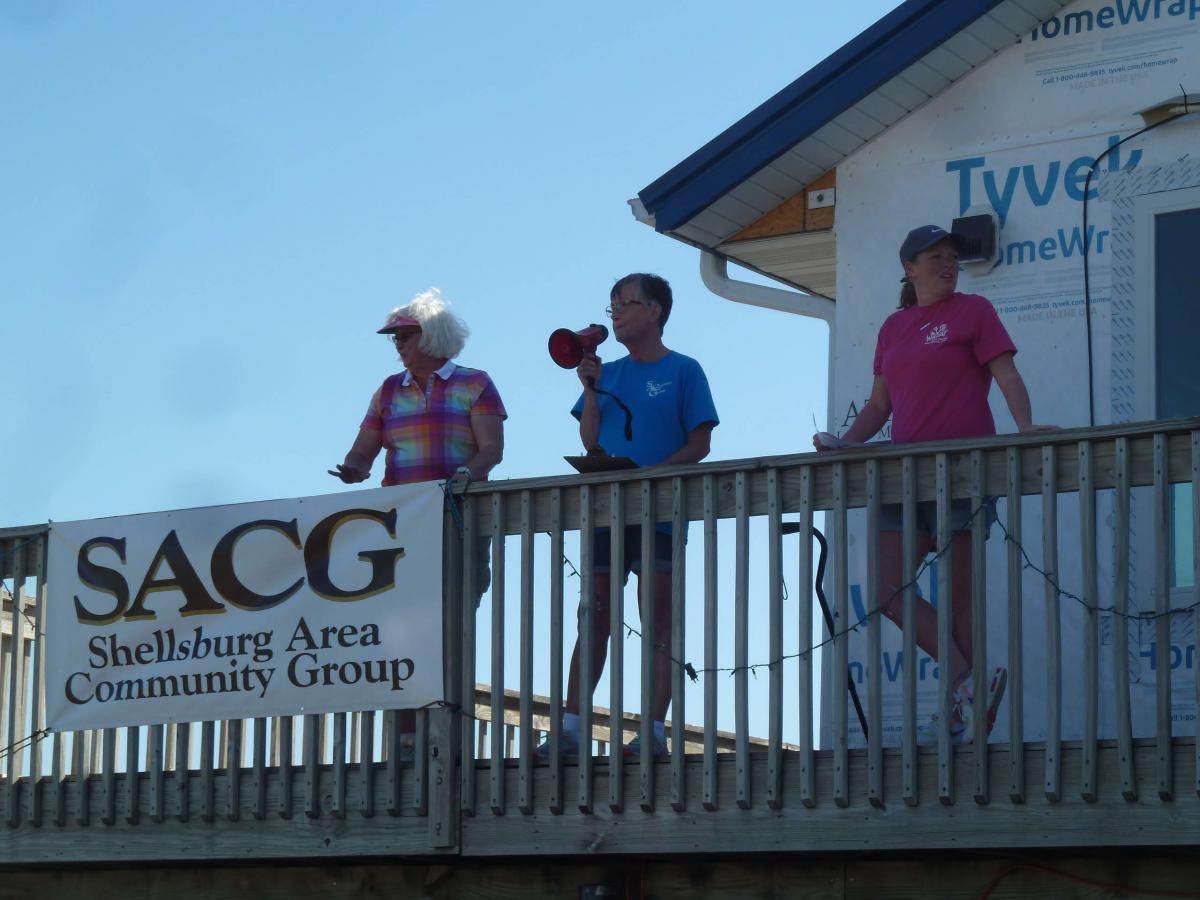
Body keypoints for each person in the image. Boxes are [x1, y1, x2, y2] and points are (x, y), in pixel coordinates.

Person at [814, 225, 1056, 744]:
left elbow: (1007, 374)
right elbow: (879, 404)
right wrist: (844, 444)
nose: (948, 265)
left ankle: (959, 711)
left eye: (952, 257)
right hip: (902, 476)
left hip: (965, 470)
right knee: (887, 592)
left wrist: (1024, 426)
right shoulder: (893, 327)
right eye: (935, 257)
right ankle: (970, 681)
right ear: (910, 268)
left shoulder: (974, 312)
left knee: (960, 597)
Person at [539, 273, 719, 761]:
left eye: (626, 303)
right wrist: (590, 389)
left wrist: (650, 478)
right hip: (607, 511)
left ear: (655, 311)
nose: (616, 313)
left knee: (657, 618)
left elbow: (700, 443)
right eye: (612, 304)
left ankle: (653, 732)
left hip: (660, 512)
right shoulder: (608, 374)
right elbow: (590, 441)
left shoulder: (684, 370)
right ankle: (570, 729)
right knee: (594, 615)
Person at [331, 287, 507, 753]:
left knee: (453, 622)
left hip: (461, 518)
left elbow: (491, 448)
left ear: (431, 335)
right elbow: (363, 450)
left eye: (405, 336)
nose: (398, 344)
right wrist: (353, 468)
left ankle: (444, 730)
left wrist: (467, 474)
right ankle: (408, 737)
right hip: (402, 526)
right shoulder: (388, 391)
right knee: (403, 624)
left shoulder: (475, 383)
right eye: (396, 338)